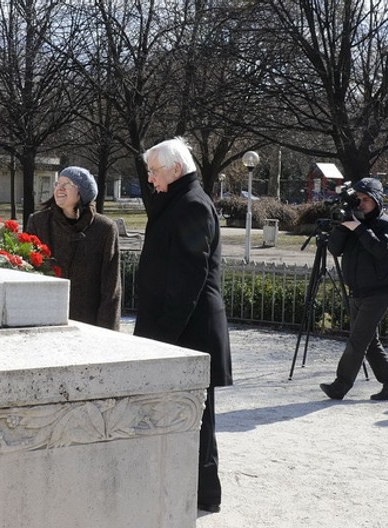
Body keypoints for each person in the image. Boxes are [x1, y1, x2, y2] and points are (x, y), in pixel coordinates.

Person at [132, 137, 232, 514]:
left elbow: (189, 280)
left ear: (176, 170)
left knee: (198, 416)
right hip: (179, 329)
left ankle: (205, 494)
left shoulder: (191, 204)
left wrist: (163, 342)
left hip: (189, 332)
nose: (151, 179)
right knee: (190, 414)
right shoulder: (178, 200)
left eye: (154, 171)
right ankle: (192, 489)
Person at [319, 177, 388, 401]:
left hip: (379, 292)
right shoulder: (354, 221)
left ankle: (340, 385)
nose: (361, 204)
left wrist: (359, 228)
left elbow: (381, 250)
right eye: (358, 199)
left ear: (377, 200)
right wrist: (344, 227)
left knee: (357, 341)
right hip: (357, 291)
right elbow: (335, 249)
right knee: (370, 343)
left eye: (366, 199)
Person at [26, 166, 121, 330]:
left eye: (67, 184)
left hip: (88, 323)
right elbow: (26, 273)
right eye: (57, 183)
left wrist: (107, 332)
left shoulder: (104, 228)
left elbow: (110, 287)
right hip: (45, 318)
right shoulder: (38, 222)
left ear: (82, 193)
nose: (59, 189)